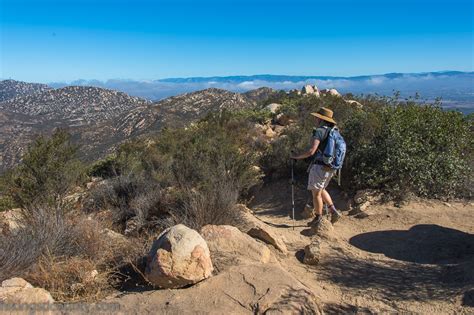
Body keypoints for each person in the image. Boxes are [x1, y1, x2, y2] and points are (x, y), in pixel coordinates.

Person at [291, 107, 342, 230]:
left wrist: (296, 157)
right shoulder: (334, 132)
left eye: (317, 117)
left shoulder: (319, 131)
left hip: (319, 167)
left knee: (316, 194)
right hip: (332, 167)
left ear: (320, 119)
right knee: (322, 189)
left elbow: (311, 151)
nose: (315, 118)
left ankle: (318, 219)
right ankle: (333, 211)